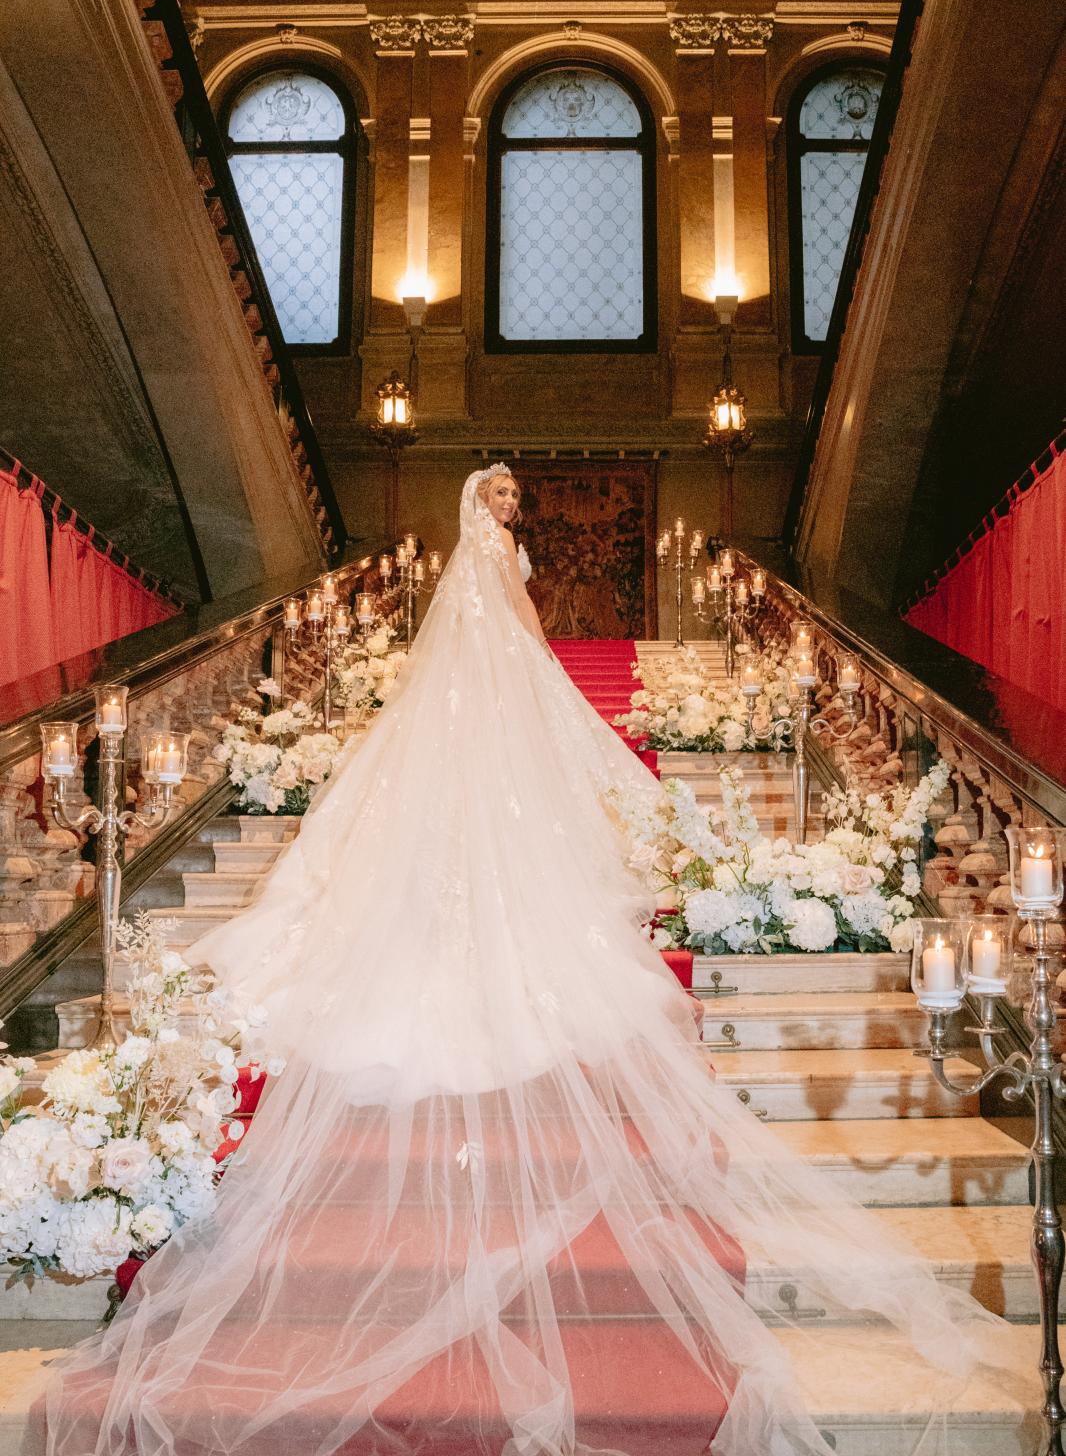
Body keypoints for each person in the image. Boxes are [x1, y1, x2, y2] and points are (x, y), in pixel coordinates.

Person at [36, 465, 1010, 1456]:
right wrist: (544, 676)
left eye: (508, 498)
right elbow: (520, 634)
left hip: (463, 709)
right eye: (499, 496)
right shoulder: (496, 557)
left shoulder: (473, 554)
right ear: (485, 506)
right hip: (496, 705)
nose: (507, 509)